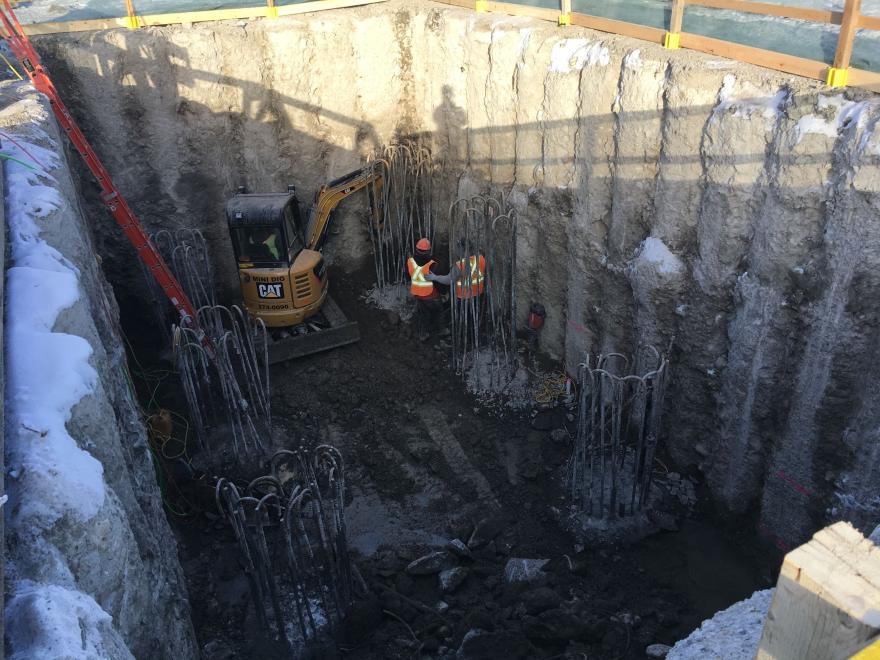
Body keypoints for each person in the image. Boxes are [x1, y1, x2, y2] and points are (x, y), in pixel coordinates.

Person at [406, 237, 447, 340]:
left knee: (423, 315)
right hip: (431, 295)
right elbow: (438, 282)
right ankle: (442, 330)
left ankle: (423, 334)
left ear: (416, 249)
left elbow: (407, 276)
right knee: (439, 312)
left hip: (418, 294)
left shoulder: (410, 261)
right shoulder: (432, 265)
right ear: (428, 251)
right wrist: (443, 293)